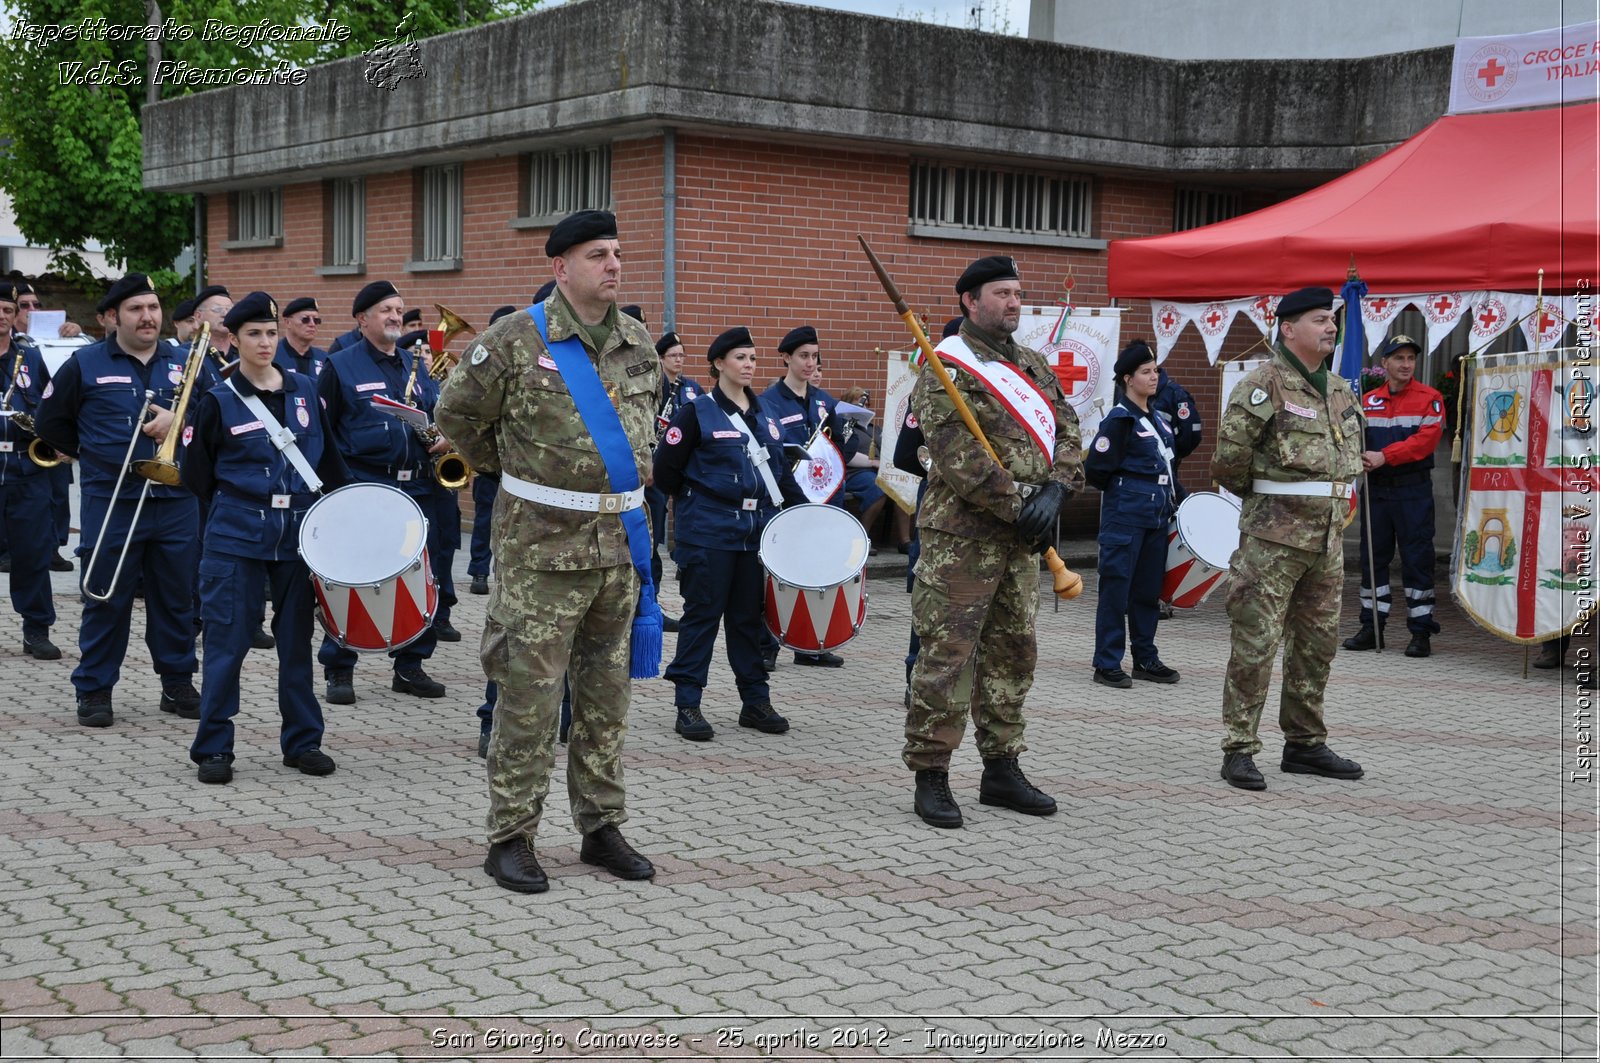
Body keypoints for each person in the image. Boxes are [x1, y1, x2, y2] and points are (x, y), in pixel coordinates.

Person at [435, 208, 660, 894]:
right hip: (539, 553)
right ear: (560, 268)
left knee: (605, 701)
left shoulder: (635, 339)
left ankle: (600, 826)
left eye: (618, 252)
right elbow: (457, 417)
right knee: (529, 703)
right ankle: (511, 836)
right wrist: (511, 473)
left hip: (618, 553)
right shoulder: (514, 339)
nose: (614, 265)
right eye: (598, 255)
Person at [904, 255, 1082, 829]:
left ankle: (1001, 768)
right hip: (964, 537)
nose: (1013, 303)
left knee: (1013, 653)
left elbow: (1069, 429)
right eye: (1001, 293)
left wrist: (1058, 489)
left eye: (1017, 293)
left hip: (1022, 541)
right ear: (970, 301)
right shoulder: (944, 365)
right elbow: (958, 456)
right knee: (947, 656)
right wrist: (1022, 507)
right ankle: (931, 774)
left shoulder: (1032, 365)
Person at [181, 292, 350, 784]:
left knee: (296, 646)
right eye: (254, 334)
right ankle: (214, 747)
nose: (265, 342)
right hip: (235, 538)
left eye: (271, 333)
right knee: (226, 645)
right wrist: (242, 509)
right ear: (233, 340)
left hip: (298, 538)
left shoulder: (304, 390)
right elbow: (197, 476)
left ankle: (302, 742)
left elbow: (329, 465)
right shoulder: (217, 399)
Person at [34, 274, 214, 728]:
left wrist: (181, 417)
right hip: (111, 498)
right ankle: (94, 689)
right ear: (113, 317)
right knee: (105, 597)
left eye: (153, 307)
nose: (148, 316)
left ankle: (176, 682)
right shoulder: (85, 364)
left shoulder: (186, 360)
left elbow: (216, 416)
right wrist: (98, 456)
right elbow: (50, 423)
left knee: (177, 598)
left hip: (175, 500)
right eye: (136, 309)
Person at [1211, 286, 1365, 792]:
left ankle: (1304, 745)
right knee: (1256, 643)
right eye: (1320, 319)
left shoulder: (1340, 389)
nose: (1331, 327)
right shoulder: (1262, 385)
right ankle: (1239, 747)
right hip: (1272, 541)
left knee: (1316, 645)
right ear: (1288, 328)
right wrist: (1275, 505)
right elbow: (1229, 464)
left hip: (1326, 542)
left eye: (1332, 320)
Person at [654, 326, 804, 742]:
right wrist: (696, 505)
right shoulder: (697, 411)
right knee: (702, 616)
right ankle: (688, 703)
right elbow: (666, 470)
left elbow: (779, 475)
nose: (749, 365)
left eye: (753, 358)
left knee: (747, 619)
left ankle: (755, 701)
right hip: (707, 533)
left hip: (755, 537)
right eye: (740, 357)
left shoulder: (767, 416)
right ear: (719, 363)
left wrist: (811, 514)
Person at [316, 280, 452, 703]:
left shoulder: (416, 365)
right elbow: (324, 434)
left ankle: (410, 665)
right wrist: (340, 492)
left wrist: (443, 438)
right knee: (351, 575)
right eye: (385, 310)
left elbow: (432, 415)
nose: (395, 316)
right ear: (362, 319)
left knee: (421, 573)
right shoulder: (341, 366)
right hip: (365, 485)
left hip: (420, 487)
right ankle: (339, 668)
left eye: (399, 309)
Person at [760, 325, 860, 668]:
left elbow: (841, 450)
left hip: (824, 502)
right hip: (787, 503)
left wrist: (851, 433)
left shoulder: (824, 401)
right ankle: (767, 646)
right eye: (803, 356)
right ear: (786, 358)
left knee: (817, 571)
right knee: (779, 574)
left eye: (814, 356)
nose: (810, 363)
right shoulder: (767, 402)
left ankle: (810, 645)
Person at [1086, 340, 1181, 689]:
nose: (1154, 376)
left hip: (1157, 514)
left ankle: (1145, 657)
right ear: (1128, 379)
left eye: (1155, 370)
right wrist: (1129, 490)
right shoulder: (1120, 420)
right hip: (1126, 515)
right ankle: (1107, 662)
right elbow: (1097, 469)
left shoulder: (1158, 420)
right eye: (1145, 372)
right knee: (1116, 589)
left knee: (1146, 591)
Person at [1342, 334, 1444, 658]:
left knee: (1418, 560)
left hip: (1413, 490)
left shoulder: (1430, 398)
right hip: (1376, 491)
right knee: (1373, 560)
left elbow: (1424, 442)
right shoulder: (1366, 400)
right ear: (1384, 363)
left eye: (1410, 358)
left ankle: (1421, 630)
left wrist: (1385, 455)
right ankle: (1372, 627)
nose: (1405, 364)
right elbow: (1350, 437)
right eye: (1398, 358)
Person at [0, 283, 62, 659]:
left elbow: (52, 402)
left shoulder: (31, 357)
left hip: (27, 465)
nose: (3, 316)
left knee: (33, 553)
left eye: (8, 309)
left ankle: (36, 630)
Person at [13, 283, 78, 574]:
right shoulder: (14, 345)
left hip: (51, 421)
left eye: (36, 305)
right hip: (18, 431)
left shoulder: (60, 336)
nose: (32, 311)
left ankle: (53, 546)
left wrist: (75, 333)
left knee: (58, 490)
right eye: (24, 306)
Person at [647, 328, 699, 631]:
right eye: (673, 355)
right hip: (653, 469)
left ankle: (654, 606)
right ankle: (646, 606)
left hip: (682, 471)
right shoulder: (654, 385)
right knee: (650, 541)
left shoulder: (689, 389)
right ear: (661, 358)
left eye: (682, 355)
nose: (679, 360)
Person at [467, 306, 519, 598]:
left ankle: (504, 572)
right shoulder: (485, 367)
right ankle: (478, 570)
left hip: (515, 466)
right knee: (484, 519)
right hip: (491, 463)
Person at [274, 297, 329, 379]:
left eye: (316, 320)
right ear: (288, 322)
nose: (312, 324)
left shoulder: (324, 359)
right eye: (305, 319)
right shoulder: (272, 356)